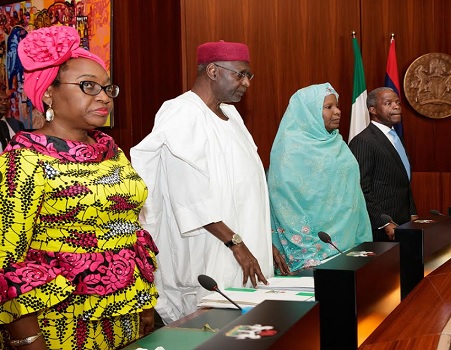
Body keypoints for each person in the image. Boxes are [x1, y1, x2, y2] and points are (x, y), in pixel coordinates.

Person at [0, 26, 158, 349]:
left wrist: (145, 305)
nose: (103, 97)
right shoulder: (24, 160)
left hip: (124, 324)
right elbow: (6, 264)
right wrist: (29, 341)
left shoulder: (111, 151)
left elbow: (131, 231)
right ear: (48, 93)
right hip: (60, 331)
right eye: (88, 86)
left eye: (106, 88)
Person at [131, 40, 287, 324]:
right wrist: (237, 243)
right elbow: (189, 196)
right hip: (211, 247)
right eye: (240, 74)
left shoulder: (231, 115)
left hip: (238, 246)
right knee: (211, 329)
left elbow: (245, 191)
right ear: (213, 71)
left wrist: (261, 239)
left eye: (248, 76)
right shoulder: (181, 112)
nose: (246, 83)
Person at [267, 83, 372, 272]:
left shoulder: (338, 143)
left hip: (349, 245)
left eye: (337, 106)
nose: (338, 111)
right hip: (312, 254)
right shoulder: (289, 152)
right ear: (308, 112)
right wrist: (307, 253)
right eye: (329, 107)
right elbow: (286, 205)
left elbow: (355, 196)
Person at [349, 87, 418, 242]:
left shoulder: (394, 137)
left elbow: (403, 181)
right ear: (372, 109)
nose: (396, 106)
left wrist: (412, 213)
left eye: (397, 102)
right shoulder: (363, 141)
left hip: (403, 221)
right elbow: (361, 187)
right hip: (381, 228)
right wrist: (384, 222)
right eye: (388, 103)